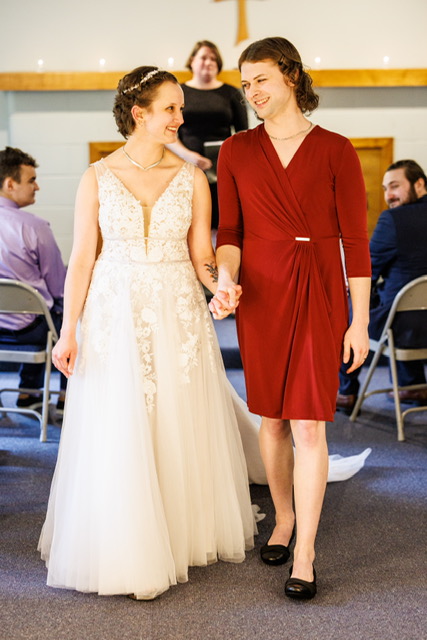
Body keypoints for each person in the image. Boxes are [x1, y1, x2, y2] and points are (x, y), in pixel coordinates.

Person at [38, 66, 257, 601]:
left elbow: (202, 256)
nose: (181, 118)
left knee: (174, 416)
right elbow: (82, 259)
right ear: (140, 113)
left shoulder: (192, 178)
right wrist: (68, 331)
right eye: (171, 109)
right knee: (119, 416)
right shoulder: (96, 176)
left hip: (177, 308)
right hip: (113, 309)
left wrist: (221, 287)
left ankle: (177, 530)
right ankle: (123, 536)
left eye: (181, 108)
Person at [210, 37, 371, 600]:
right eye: (245, 83)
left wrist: (359, 321)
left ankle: (305, 552)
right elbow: (230, 233)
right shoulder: (235, 151)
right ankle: (283, 517)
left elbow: (356, 242)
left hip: (320, 292)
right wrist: (225, 276)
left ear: (292, 76)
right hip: (263, 294)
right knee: (274, 419)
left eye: (261, 79)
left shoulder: (336, 149)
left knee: (309, 422)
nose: (251, 92)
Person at [336, 159, 427, 412]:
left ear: (419, 184)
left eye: (395, 186)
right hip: (416, 321)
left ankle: (346, 391)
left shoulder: (393, 220)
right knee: (401, 299)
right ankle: (414, 385)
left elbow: (365, 271)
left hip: (404, 328)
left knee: (352, 302)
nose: (389, 195)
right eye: (386, 188)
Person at [0, 146, 67, 410]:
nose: (36, 187)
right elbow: (59, 287)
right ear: (10, 184)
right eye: (31, 180)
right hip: (28, 330)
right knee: (67, 316)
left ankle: (29, 393)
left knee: (43, 310)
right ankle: (65, 398)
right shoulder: (35, 227)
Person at [167, 40, 248, 228]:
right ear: (192, 61)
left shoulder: (231, 93)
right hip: (185, 165)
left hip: (223, 168)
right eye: (203, 57)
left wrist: (229, 160)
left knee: (222, 221)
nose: (209, 62)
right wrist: (189, 156)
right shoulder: (179, 92)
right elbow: (167, 133)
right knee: (191, 222)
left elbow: (243, 133)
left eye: (213, 58)